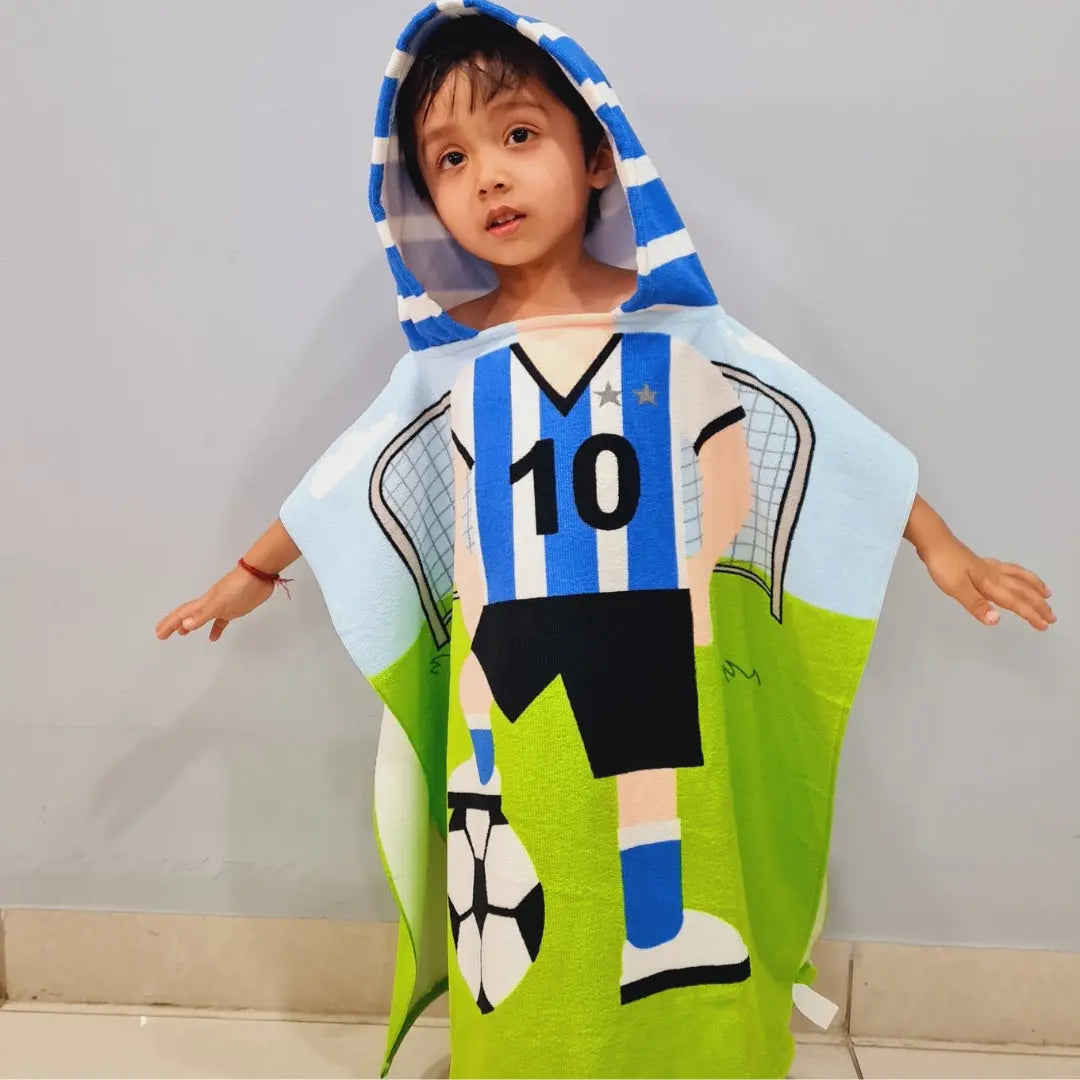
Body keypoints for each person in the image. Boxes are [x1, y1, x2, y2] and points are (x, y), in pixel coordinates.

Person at [155, 8, 1054, 1078]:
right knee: (522, 821)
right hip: (514, 639)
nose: (489, 177)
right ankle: (530, 1044)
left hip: (652, 630)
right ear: (421, 197)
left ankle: (671, 984)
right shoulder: (446, 366)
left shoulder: (678, 332)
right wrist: (253, 572)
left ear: (595, 157)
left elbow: (815, 433)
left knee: (656, 792)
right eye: (451, 159)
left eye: (518, 135)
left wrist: (938, 545)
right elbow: (346, 482)